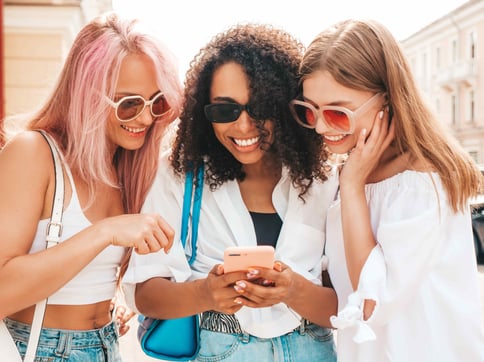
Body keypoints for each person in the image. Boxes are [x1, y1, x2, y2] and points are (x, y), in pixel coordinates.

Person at [122, 24, 338, 361]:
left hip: (310, 347)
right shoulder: (178, 176)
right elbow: (145, 295)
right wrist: (205, 294)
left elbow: (348, 307)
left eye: (260, 107)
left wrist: (294, 291)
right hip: (219, 347)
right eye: (225, 110)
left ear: (283, 106)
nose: (243, 126)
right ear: (203, 112)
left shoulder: (323, 181)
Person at [290, 18, 484, 361]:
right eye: (309, 111)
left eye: (337, 113)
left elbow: (370, 303)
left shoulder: (422, 181)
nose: (320, 126)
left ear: (387, 100)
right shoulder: (356, 171)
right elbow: (347, 288)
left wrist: (352, 187)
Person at [0, 12, 182, 360]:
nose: (145, 118)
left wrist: (106, 302)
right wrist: (105, 232)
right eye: (129, 104)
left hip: (105, 345)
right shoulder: (33, 153)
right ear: (87, 96)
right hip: (38, 349)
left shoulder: (129, 170)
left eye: (156, 102)